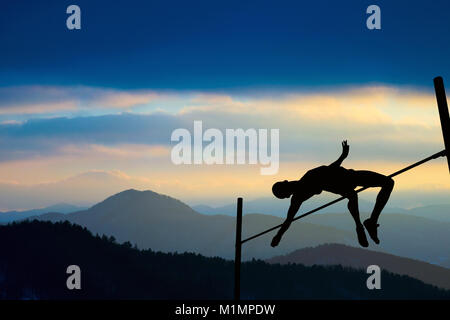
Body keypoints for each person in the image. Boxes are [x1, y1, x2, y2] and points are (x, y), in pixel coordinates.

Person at [271, 140, 394, 248]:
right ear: (287, 193)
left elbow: (288, 221)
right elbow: (288, 220)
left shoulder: (300, 193)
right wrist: (343, 156)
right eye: (285, 185)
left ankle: (368, 223)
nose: (287, 181)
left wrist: (278, 236)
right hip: (344, 180)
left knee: (386, 184)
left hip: (349, 176)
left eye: (285, 182)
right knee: (355, 194)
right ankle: (361, 225)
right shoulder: (303, 187)